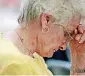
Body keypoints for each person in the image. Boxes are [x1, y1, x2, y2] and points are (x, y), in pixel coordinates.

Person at [0, 0, 85, 75]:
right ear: (46, 20)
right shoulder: (16, 64)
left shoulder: (32, 56)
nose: (64, 46)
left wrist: (78, 59)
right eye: (66, 34)